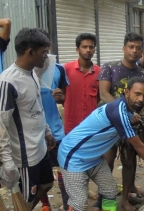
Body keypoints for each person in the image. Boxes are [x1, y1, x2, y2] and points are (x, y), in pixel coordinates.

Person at [58, 77, 144, 211]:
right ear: (126, 92)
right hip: (74, 156)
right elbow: (138, 145)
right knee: (79, 204)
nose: (141, 99)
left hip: (93, 158)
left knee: (110, 191)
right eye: (137, 94)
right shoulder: (118, 111)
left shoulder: (127, 110)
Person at [0, 28, 56, 210]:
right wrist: (7, 161)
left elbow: (36, 106)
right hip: (24, 158)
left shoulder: (32, 72)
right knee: (25, 201)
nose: (46, 57)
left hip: (39, 148)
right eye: (44, 53)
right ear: (30, 52)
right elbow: (1, 124)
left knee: (47, 184)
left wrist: (47, 131)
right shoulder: (8, 82)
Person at [97, 32, 144, 211]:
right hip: (109, 123)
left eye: (138, 48)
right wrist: (126, 113)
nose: (134, 51)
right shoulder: (110, 67)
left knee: (129, 162)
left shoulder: (142, 72)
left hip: (132, 124)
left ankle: (125, 198)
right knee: (108, 161)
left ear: (142, 51)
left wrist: (141, 115)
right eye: (131, 47)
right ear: (124, 48)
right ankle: (103, 197)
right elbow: (104, 94)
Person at [33, 29, 70, 211]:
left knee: (63, 168)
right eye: (42, 47)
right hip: (34, 132)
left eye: (48, 45)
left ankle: (66, 204)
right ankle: (45, 204)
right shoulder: (25, 70)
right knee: (40, 173)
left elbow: (64, 98)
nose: (46, 50)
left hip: (56, 129)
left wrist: (60, 97)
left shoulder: (59, 69)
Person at [63, 33, 100, 135]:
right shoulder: (66, 69)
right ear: (77, 49)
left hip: (92, 124)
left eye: (91, 47)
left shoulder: (99, 72)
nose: (88, 50)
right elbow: (61, 96)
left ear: (94, 50)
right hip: (71, 125)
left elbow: (100, 97)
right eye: (84, 47)